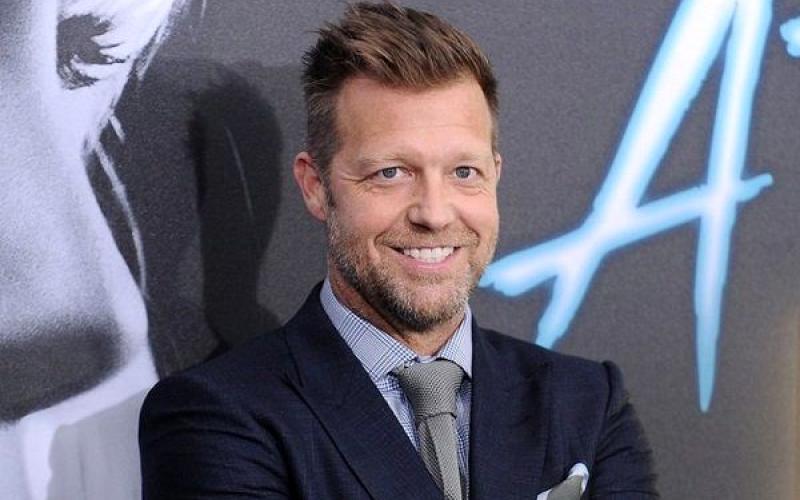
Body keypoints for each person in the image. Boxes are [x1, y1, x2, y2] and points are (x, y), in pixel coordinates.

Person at [138, 3, 658, 499]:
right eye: (390, 173)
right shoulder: (218, 415)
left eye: (464, 172)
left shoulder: (588, 403)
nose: (434, 213)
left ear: (495, 176)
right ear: (316, 186)